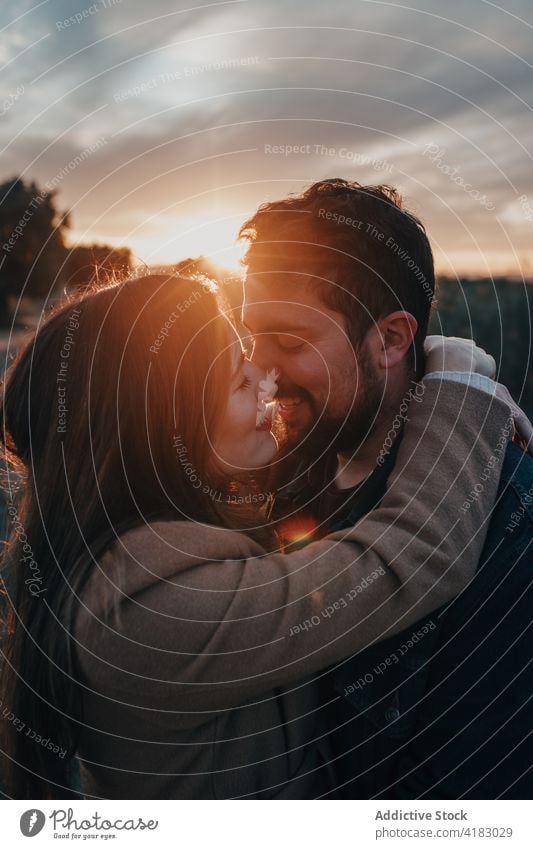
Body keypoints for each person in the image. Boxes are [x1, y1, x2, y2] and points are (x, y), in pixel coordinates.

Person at [0, 273, 516, 800]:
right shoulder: (148, 607)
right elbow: (406, 558)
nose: (266, 379)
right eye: (240, 381)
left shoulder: (109, 555)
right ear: (166, 427)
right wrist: (459, 394)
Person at [239, 178, 533, 799]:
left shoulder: (500, 510)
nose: (261, 373)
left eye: (290, 341)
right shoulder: (280, 467)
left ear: (393, 339)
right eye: (250, 338)